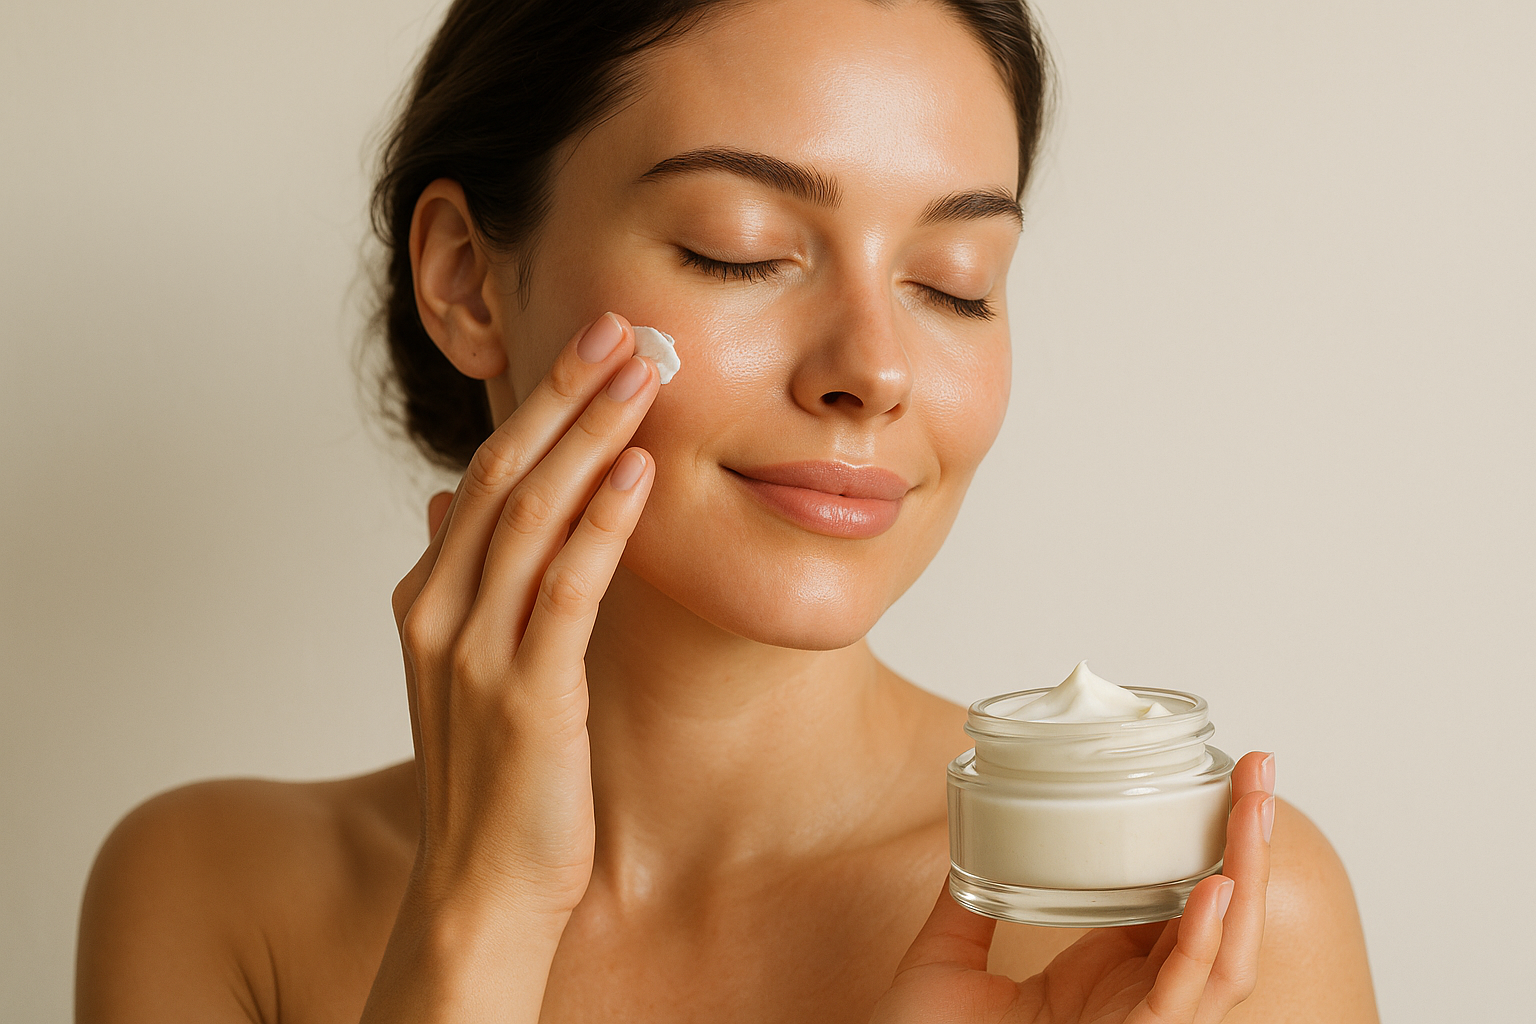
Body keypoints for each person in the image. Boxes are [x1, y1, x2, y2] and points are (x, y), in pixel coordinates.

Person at [74, 1, 1378, 1021]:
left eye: (955, 282)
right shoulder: (214, 898)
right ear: (469, 278)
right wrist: (476, 923)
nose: (872, 369)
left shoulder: (1180, 917)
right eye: (739, 247)